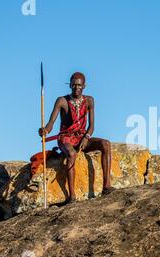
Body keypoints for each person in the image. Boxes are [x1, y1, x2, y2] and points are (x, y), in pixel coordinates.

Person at [38, 72, 114, 202]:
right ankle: (72, 196)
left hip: (82, 137)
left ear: (84, 86)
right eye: (74, 85)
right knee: (72, 154)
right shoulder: (62, 101)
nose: (76, 88)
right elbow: (51, 123)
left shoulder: (89, 100)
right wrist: (45, 130)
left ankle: (106, 186)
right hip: (65, 138)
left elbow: (91, 126)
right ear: (70, 85)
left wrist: (86, 138)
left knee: (105, 144)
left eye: (79, 85)